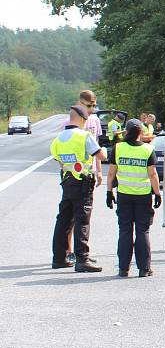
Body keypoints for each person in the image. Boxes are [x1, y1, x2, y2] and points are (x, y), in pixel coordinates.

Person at [50, 105, 107, 272]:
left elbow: (59, 161)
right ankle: (82, 259)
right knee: (82, 220)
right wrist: (103, 148)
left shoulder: (59, 138)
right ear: (83, 119)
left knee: (64, 220)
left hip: (67, 181)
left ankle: (59, 258)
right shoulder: (84, 136)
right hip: (83, 182)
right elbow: (101, 156)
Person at [106, 119, 162, 277]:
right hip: (143, 196)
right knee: (142, 231)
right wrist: (157, 193)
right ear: (141, 133)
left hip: (124, 195)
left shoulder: (118, 148)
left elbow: (111, 173)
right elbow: (152, 174)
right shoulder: (148, 149)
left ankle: (123, 268)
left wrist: (109, 192)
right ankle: (144, 268)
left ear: (126, 131)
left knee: (125, 231)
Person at [62, 90, 104, 188]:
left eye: (94, 106)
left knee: (87, 202)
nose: (92, 109)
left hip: (89, 171)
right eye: (89, 106)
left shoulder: (95, 120)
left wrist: (99, 171)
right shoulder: (68, 122)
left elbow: (96, 146)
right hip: (72, 173)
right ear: (80, 104)